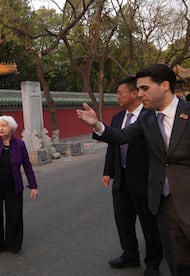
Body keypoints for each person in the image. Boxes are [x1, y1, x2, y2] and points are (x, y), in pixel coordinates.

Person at [76, 64, 190, 276]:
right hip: (163, 202)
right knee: (178, 261)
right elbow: (121, 137)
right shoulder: (146, 118)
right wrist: (96, 124)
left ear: (164, 86)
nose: (140, 94)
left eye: (145, 88)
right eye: (138, 89)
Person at [102, 76, 162, 275]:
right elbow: (113, 146)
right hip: (122, 179)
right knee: (123, 220)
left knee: (149, 224)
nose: (117, 96)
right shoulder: (117, 118)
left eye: (120, 93)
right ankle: (130, 254)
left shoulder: (151, 116)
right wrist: (108, 172)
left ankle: (153, 263)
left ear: (134, 94)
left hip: (144, 179)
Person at [0, 115, 38, 256]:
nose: (1, 128)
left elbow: (27, 166)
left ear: (11, 127)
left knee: (14, 215)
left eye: (4, 125)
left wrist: (33, 186)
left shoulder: (20, 145)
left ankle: (14, 244)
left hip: (13, 186)